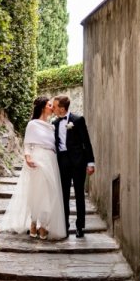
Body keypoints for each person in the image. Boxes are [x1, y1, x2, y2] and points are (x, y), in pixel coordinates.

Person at [0, 96, 67, 240]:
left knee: (49, 193)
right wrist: (28, 157)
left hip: (50, 159)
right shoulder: (32, 124)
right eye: (50, 105)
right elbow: (27, 143)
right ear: (43, 107)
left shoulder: (52, 126)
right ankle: (34, 224)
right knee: (37, 192)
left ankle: (43, 225)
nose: (52, 107)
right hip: (37, 159)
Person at [52, 95, 95, 238]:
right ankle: (64, 225)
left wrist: (90, 163)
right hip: (62, 162)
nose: (53, 108)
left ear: (62, 108)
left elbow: (86, 142)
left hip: (78, 162)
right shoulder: (55, 123)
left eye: (55, 106)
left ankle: (80, 227)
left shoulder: (78, 120)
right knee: (63, 195)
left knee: (79, 195)